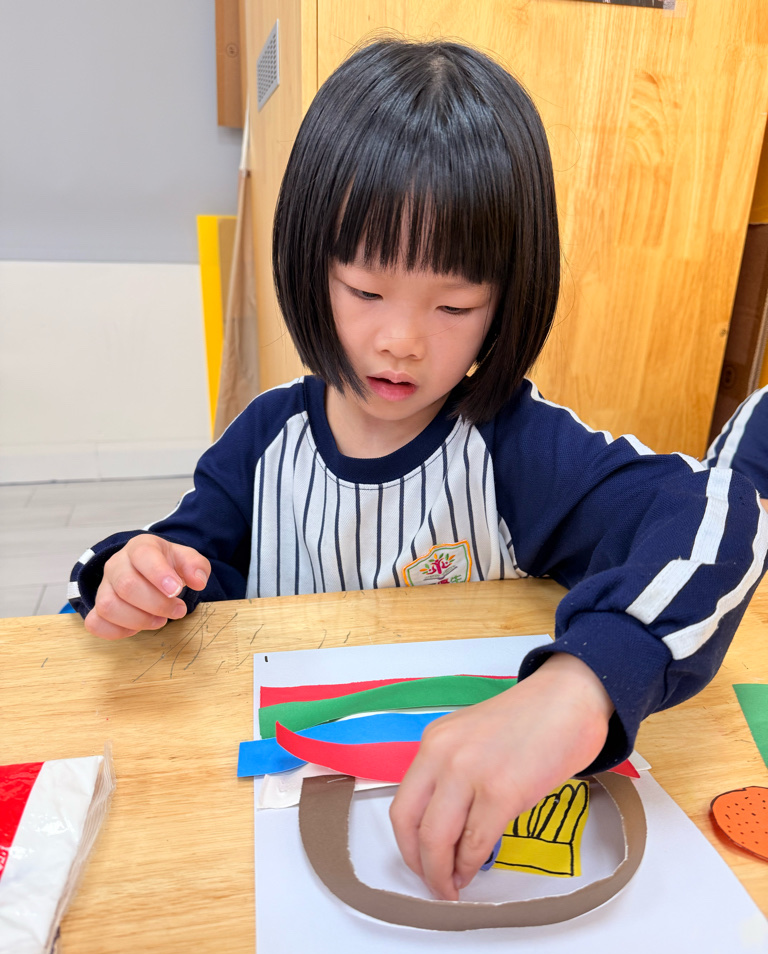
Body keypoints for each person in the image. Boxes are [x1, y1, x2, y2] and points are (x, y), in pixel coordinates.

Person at [68, 40, 768, 901]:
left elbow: (718, 511)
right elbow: (179, 562)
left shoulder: (515, 447)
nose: (401, 340)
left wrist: (584, 684)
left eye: (455, 305)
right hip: (268, 828)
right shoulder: (260, 441)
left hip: (468, 837)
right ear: (311, 267)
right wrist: (130, 571)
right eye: (365, 291)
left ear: (506, 302)